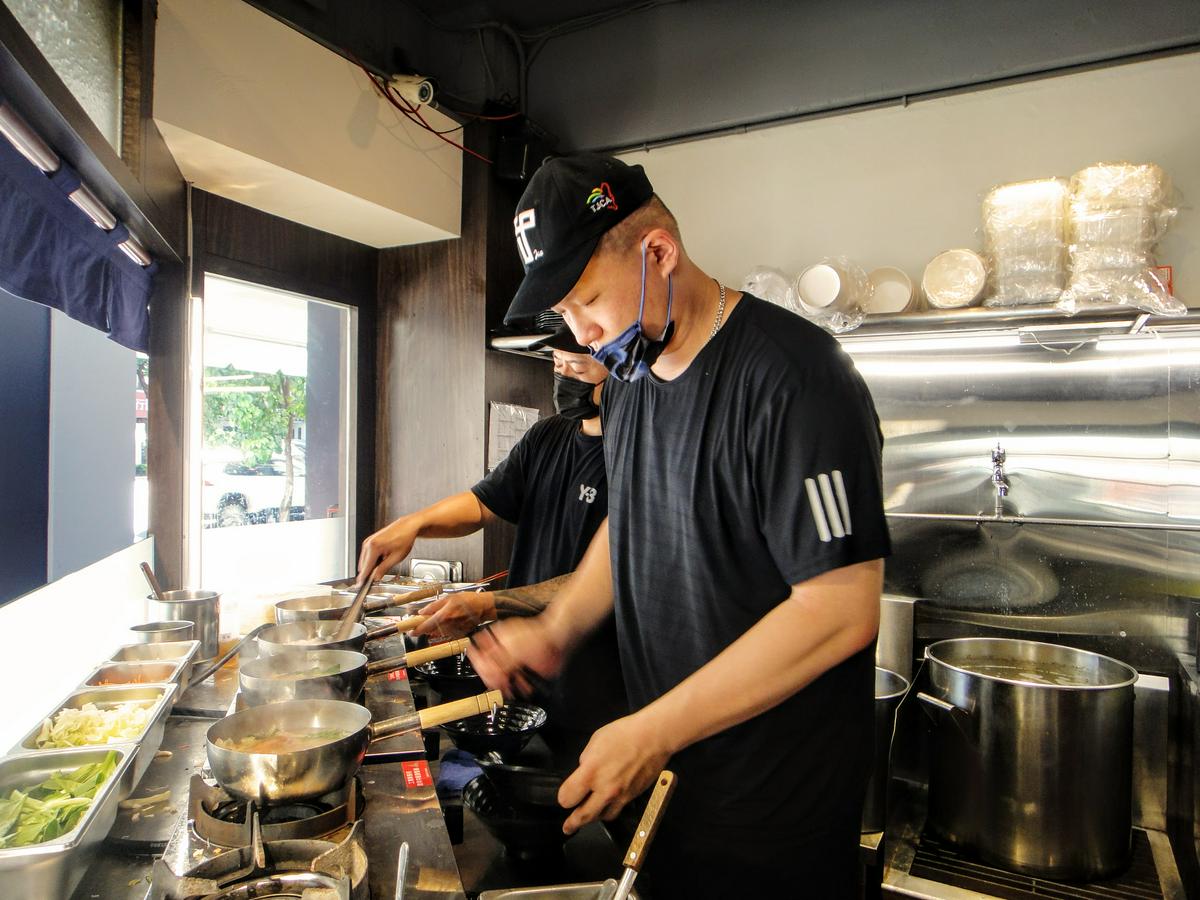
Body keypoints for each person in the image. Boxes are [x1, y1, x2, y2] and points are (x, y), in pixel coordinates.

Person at [468, 154, 890, 899]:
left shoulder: (799, 381)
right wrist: (558, 627)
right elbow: (633, 518)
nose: (585, 334)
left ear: (658, 253)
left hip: (771, 810)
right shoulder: (630, 383)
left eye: (589, 300)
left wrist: (654, 728)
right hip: (668, 791)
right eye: (564, 314)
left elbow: (840, 612)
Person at [357, 339, 627, 765]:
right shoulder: (547, 436)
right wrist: (413, 525)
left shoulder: (636, 456)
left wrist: (489, 605)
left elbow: (609, 576)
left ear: (621, 368)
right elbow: (483, 503)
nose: (562, 378)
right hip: (519, 673)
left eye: (575, 366)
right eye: (556, 363)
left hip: (596, 685)